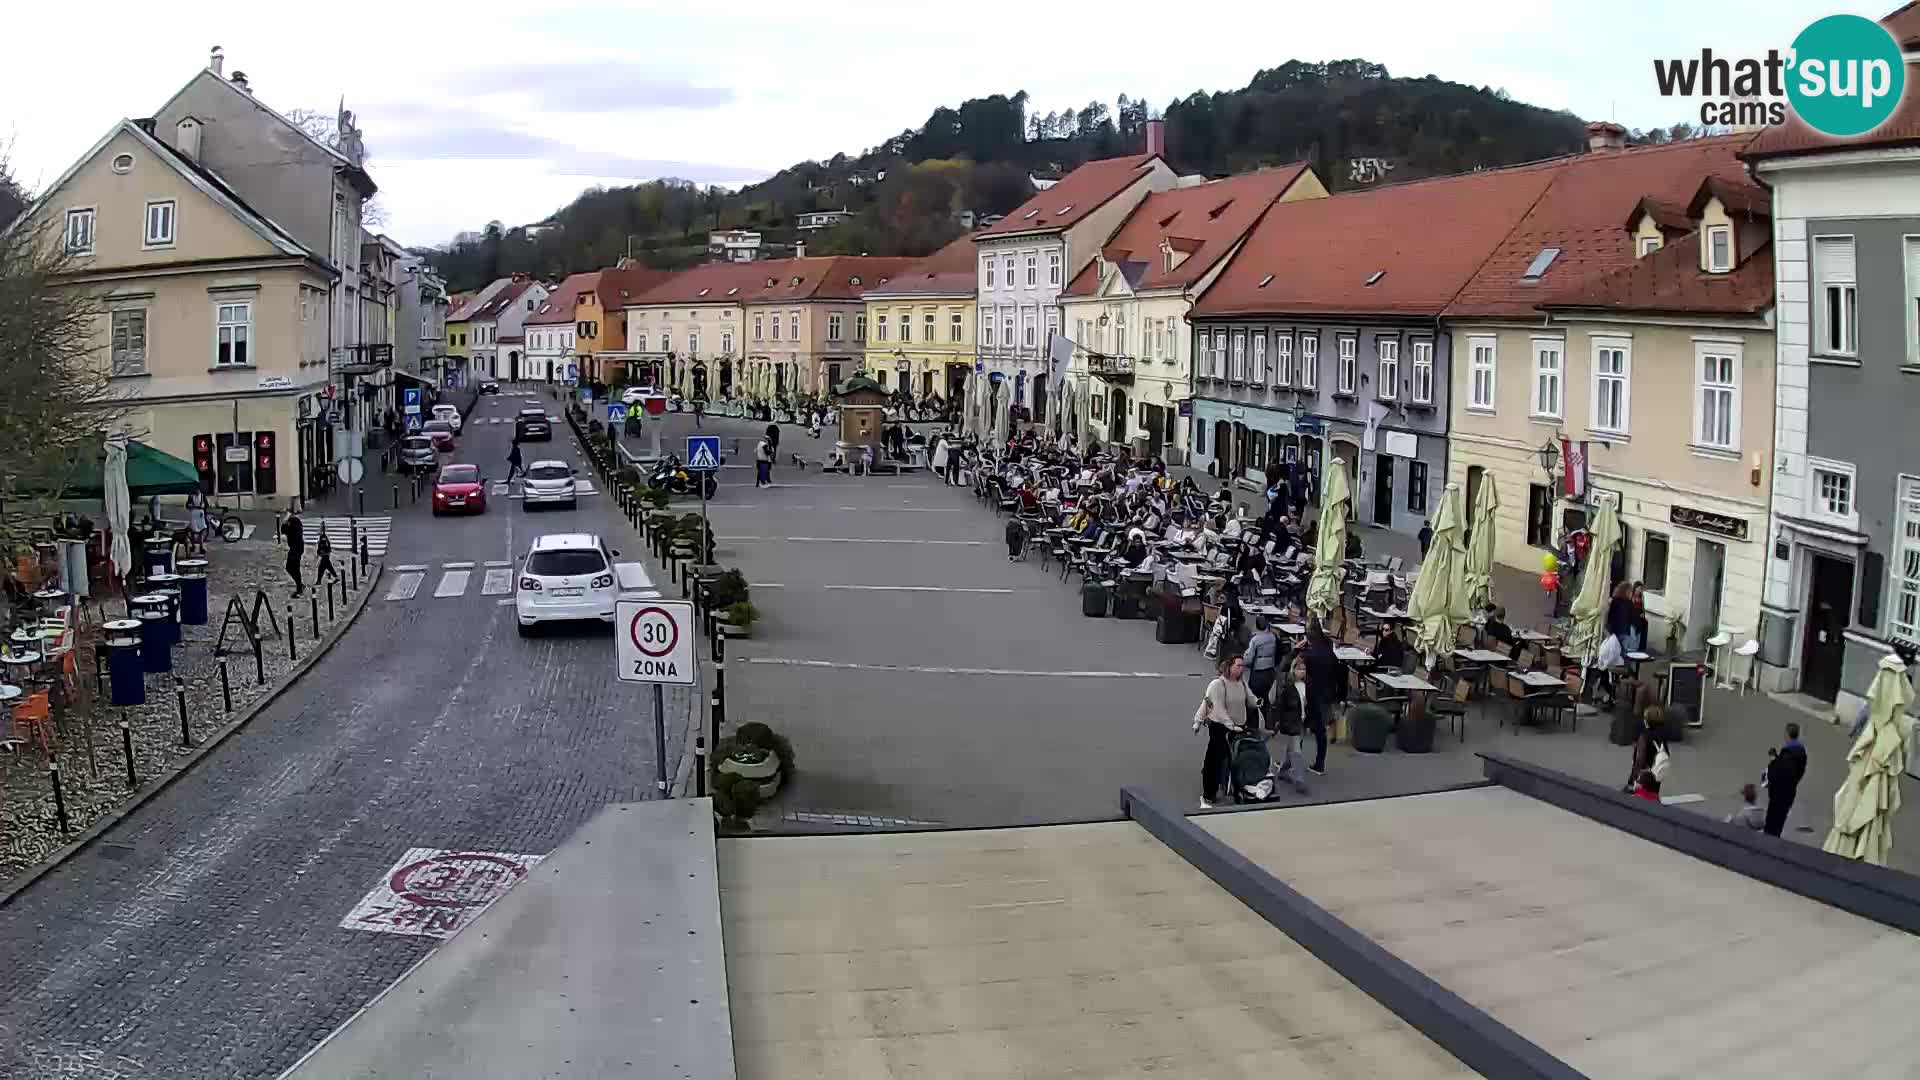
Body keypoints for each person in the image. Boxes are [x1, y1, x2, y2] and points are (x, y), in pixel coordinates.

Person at [1193, 654, 1251, 808]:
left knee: (1236, 760)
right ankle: (1208, 794)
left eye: (1242, 666)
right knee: (1215, 760)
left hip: (1238, 726)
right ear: (1229, 667)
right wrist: (1198, 721)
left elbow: (1250, 699)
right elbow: (1214, 706)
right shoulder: (1218, 684)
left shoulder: (1242, 683)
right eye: (1238, 666)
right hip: (1220, 728)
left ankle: (1235, 790)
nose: (1241, 669)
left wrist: (1258, 703)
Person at [1266, 655, 1317, 787]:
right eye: (1299, 669)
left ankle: (1283, 771)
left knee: (1290, 749)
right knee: (1297, 751)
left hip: (1302, 722)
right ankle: (1299, 779)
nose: (1302, 672)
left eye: (1304, 669)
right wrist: (1276, 722)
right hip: (1291, 722)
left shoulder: (1308, 685)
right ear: (1293, 670)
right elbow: (1280, 705)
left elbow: (1310, 704)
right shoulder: (1288, 687)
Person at [1299, 619, 1340, 776]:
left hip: (1311, 695)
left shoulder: (1309, 655)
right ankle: (1320, 763)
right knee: (1320, 731)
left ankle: (1290, 761)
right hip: (1326, 695)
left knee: (1299, 729)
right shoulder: (1330, 654)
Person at [1762, 722, 1808, 837]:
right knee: (1780, 822)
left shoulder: (1788, 752)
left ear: (1787, 734)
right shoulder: (1801, 752)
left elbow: (1779, 774)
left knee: (1772, 824)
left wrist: (1773, 761)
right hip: (1790, 793)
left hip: (1779, 795)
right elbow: (1797, 772)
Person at [1627, 705, 1669, 793]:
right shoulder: (1663, 736)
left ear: (1647, 721)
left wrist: (1632, 780)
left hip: (1644, 777)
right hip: (1656, 776)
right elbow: (1666, 754)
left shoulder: (1644, 736)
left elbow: (1640, 760)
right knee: (1652, 797)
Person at [1246, 617, 1281, 705]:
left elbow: (1248, 659)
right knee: (1266, 697)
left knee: (1254, 698)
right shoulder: (1273, 637)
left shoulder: (1255, 640)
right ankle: (1268, 716)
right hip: (1270, 671)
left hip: (1258, 672)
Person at [282, 505, 306, 597]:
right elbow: (283, 531)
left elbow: (285, 531)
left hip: (296, 548)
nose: (286, 514)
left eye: (287, 512)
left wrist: (286, 521)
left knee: (291, 567)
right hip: (296, 548)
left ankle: (299, 588)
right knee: (292, 568)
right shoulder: (292, 522)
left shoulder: (295, 522)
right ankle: (300, 585)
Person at [186, 488, 209, 554]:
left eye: (198, 490)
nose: (197, 491)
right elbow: (187, 505)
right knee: (193, 531)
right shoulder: (191, 496)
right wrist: (190, 505)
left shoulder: (202, 496)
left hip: (200, 514)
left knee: (202, 530)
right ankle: (193, 546)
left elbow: (207, 505)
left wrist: (204, 506)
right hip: (193, 514)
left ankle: (201, 546)